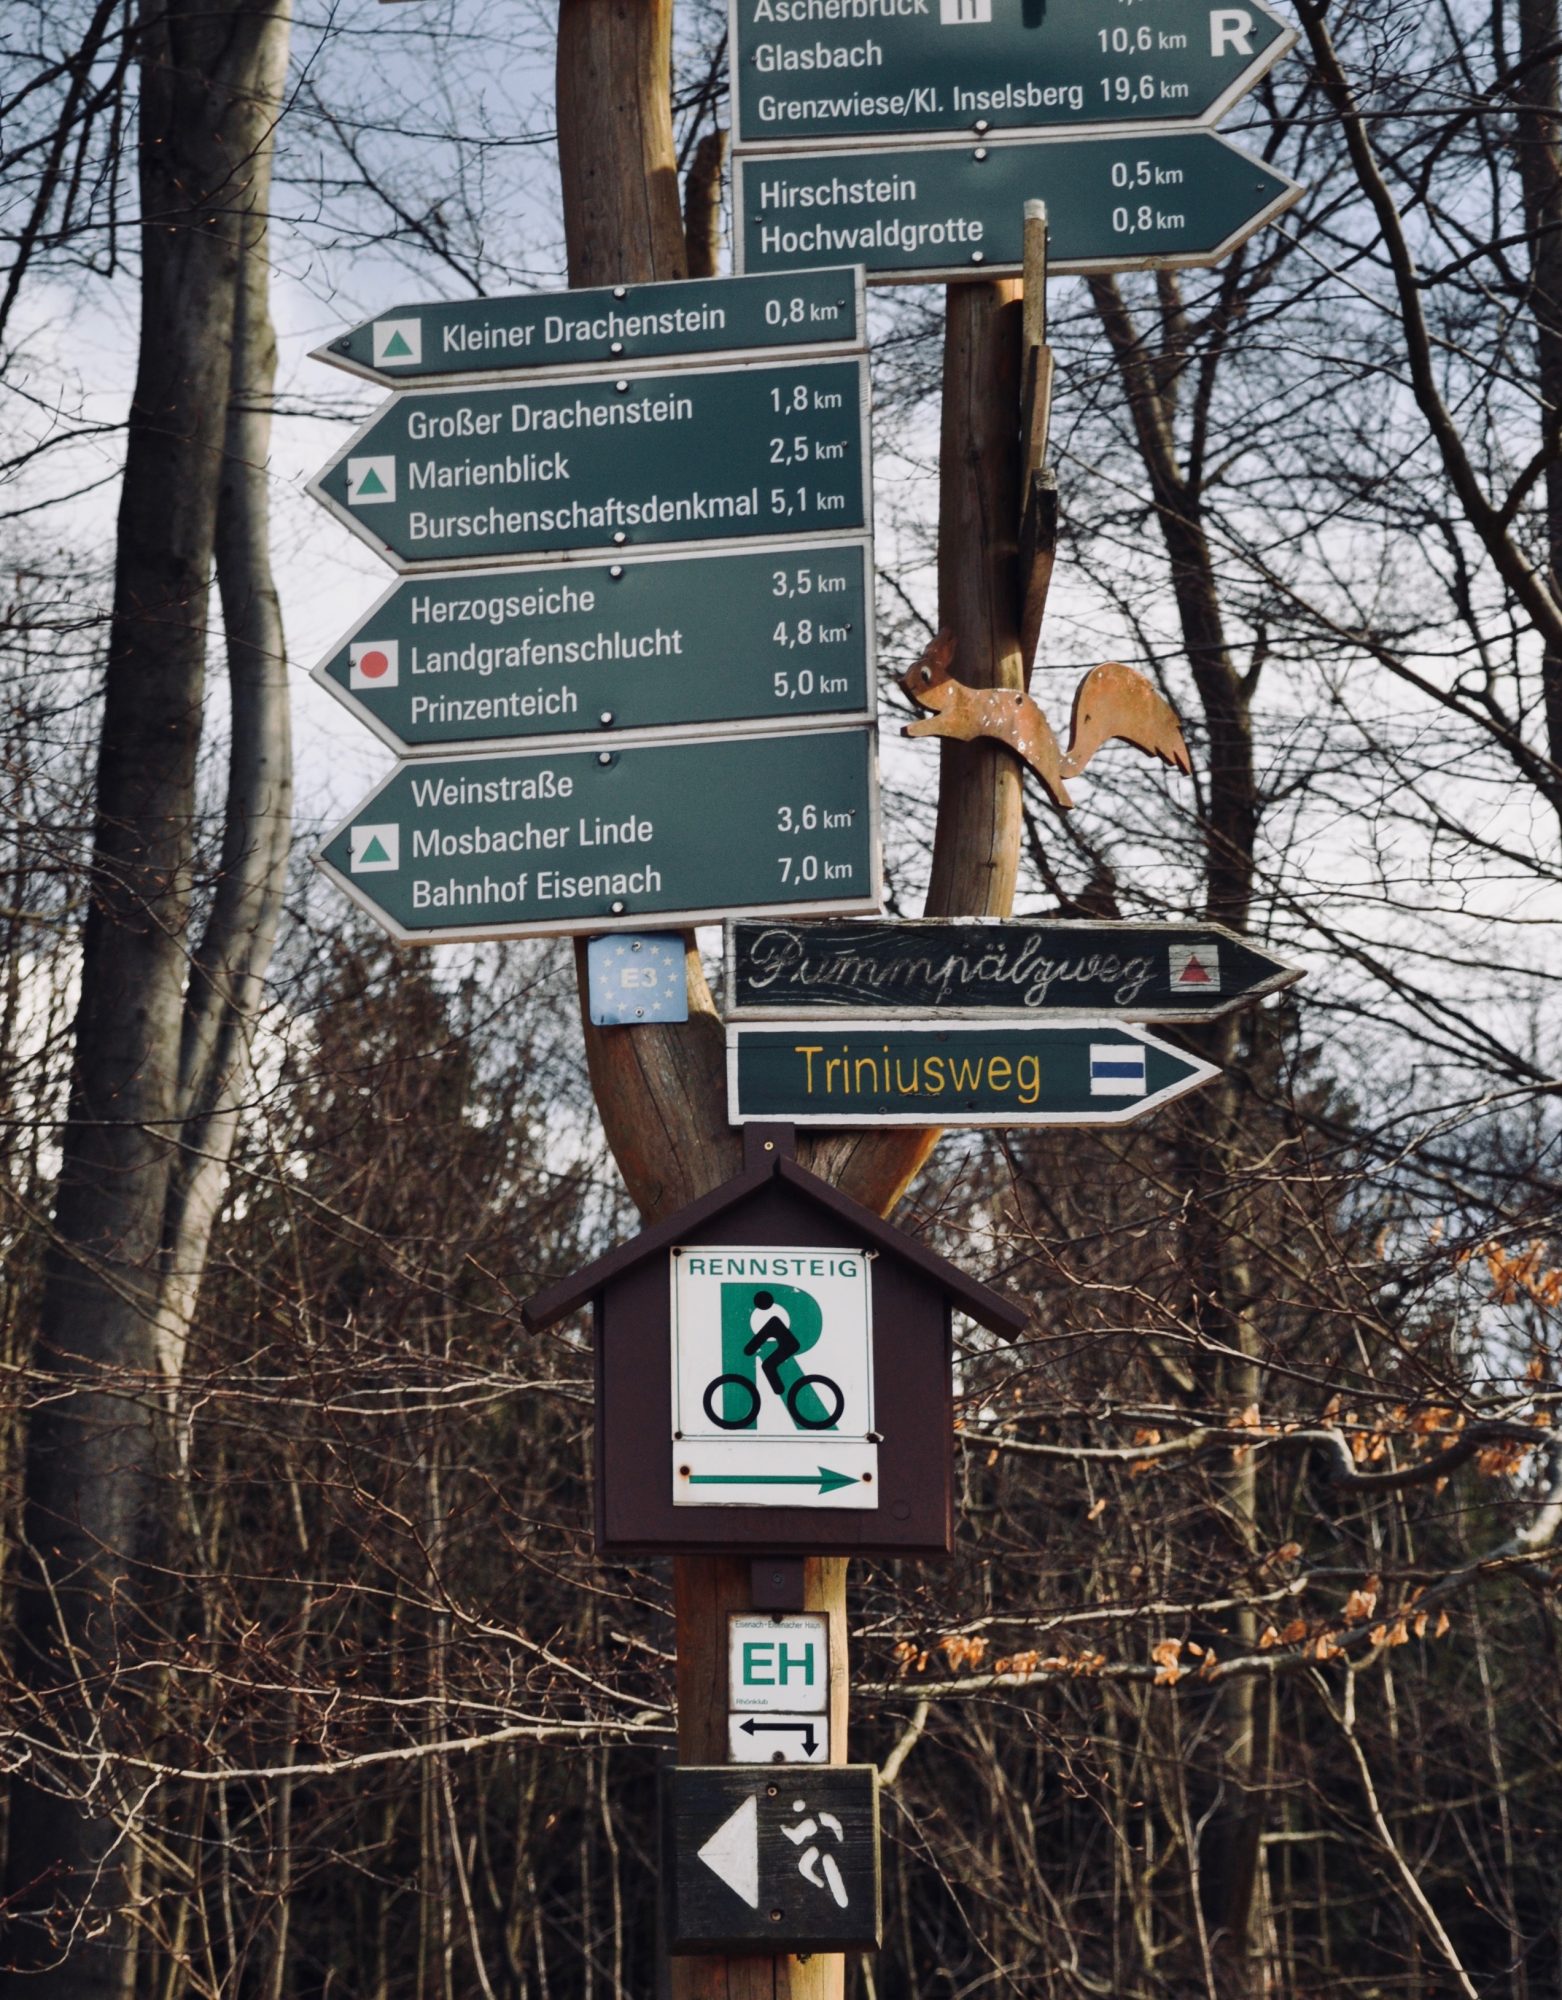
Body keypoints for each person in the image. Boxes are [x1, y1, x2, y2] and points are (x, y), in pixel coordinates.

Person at [744, 1289, 801, 1399]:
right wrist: (750, 1349)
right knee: (767, 1364)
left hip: (789, 1345)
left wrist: (750, 1349)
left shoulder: (774, 1321)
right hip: (787, 1342)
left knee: (767, 1365)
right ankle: (780, 1390)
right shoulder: (772, 1321)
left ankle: (780, 1390)